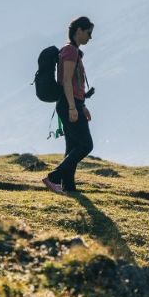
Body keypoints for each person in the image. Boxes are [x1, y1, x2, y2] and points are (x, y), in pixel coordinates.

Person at [43, 16, 95, 194]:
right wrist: (73, 107)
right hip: (68, 104)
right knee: (86, 145)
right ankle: (53, 178)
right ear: (79, 31)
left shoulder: (72, 51)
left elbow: (75, 83)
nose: (90, 37)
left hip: (73, 103)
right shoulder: (70, 51)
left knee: (72, 147)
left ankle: (69, 187)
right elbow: (66, 80)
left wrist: (82, 106)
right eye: (88, 33)